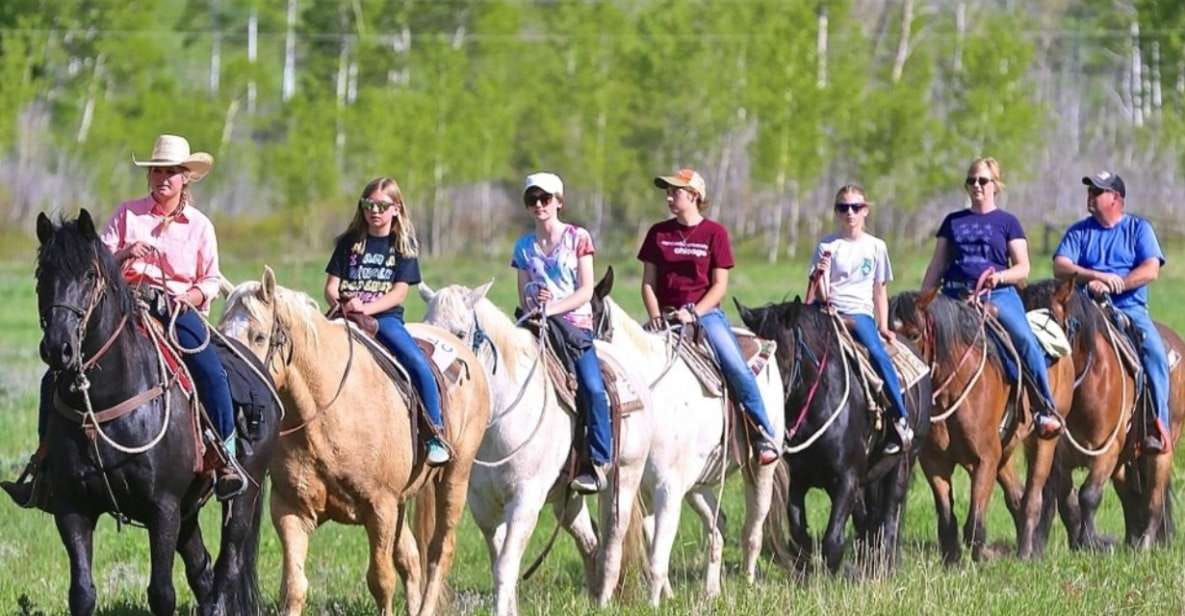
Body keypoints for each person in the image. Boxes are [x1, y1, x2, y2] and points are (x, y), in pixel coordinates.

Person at [4, 134, 247, 508]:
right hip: (124, 306)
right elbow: (95, 266)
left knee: (211, 372)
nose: (162, 178)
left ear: (186, 178)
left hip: (177, 310)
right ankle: (44, 468)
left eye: (171, 172)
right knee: (55, 375)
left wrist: (188, 297)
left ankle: (226, 457)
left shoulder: (200, 226)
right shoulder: (127, 214)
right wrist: (125, 253)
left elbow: (211, 279)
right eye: (156, 171)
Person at [638, 168, 780, 464]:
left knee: (735, 365)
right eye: (668, 191)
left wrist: (694, 312)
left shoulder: (715, 233)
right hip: (664, 317)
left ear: (694, 196)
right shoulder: (657, 233)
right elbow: (648, 283)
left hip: (705, 315)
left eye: (675, 191)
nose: (669, 196)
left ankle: (762, 431)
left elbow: (719, 286)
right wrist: (654, 316)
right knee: (630, 365)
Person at [920, 156, 1062, 438]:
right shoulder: (952, 221)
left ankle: (1044, 408)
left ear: (996, 185)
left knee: (1024, 339)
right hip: (954, 294)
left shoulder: (1007, 222)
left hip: (997, 293)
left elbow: (1023, 267)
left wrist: (999, 276)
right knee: (919, 337)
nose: (976, 185)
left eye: (983, 180)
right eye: (971, 180)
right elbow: (937, 265)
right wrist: (923, 300)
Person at [324, 177, 450, 466]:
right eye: (369, 205)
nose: (375, 211)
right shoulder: (349, 243)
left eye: (382, 206)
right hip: (344, 314)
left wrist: (367, 308)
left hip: (385, 319)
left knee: (417, 364)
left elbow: (399, 293)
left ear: (396, 209)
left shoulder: (402, 246)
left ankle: (434, 433)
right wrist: (342, 303)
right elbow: (331, 287)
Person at [1053, 171, 1171, 453]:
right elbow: (1060, 265)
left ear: (1116, 198)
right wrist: (1094, 275)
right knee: (1050, 345)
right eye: (1090, 191)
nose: (1090, 197)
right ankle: (1045, 416)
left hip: (1129, 308)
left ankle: (1158, 424)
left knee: (1154, 353)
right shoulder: (1079, 231)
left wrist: (1117, 286)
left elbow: (1151, 268)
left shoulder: (1138, 229)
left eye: (1097, 192)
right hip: (1085, 309)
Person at [511, 172, 612, 493]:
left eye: (545, 199)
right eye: (532, 200)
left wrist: (552, 307)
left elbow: (585, 291)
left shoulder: (577, 238)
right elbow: (522, 293)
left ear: (559, 202)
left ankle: (598, 460)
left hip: (574, 326)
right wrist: (533, 299)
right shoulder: (524, 246)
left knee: (593, 388)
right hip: (536, 322)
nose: (539, 205)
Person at [806, 184, 913, 454]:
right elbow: (819, 289)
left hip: (859, 312)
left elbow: (879, 289)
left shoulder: (876, 247)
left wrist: (883, 325)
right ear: (837, 212)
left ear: (866, 210)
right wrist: (821, 276)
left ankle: (900, 417)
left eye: (856, 207)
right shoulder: (827, 245)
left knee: (877, 353)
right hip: (828, 311)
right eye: (843, 208)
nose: (850, 213)